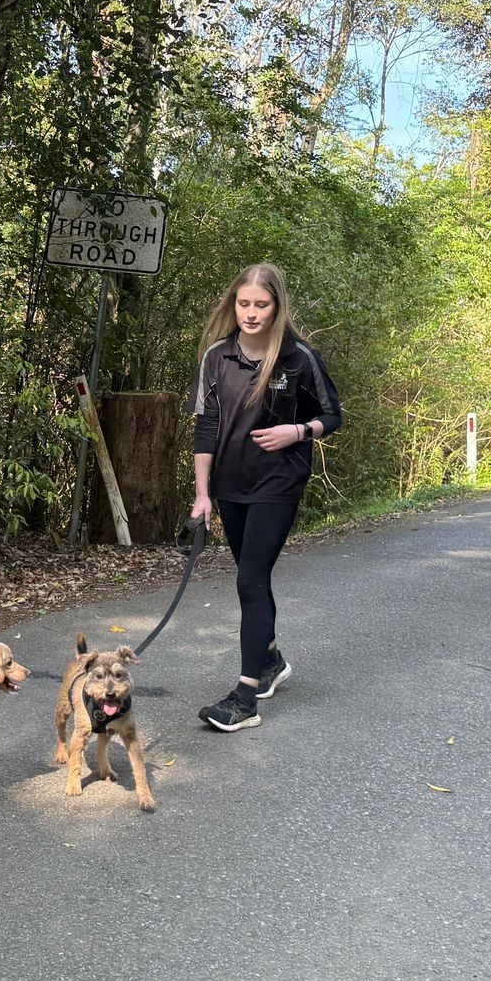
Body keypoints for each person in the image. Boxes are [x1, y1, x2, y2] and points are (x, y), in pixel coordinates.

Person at [188, 262, 342, 733]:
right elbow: (206, 425)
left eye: (261, 305)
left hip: (279, 482)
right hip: (230, 484)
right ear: (232, 305)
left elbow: (332, 415)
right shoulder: (217, 356)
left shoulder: (298, 358)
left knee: (251, 580)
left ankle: (245, 696)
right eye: (243, 304)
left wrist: (298, 430)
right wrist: (202, 494)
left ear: (277, 307)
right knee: (249, 577)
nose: (251, 314)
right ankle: (270, 658)